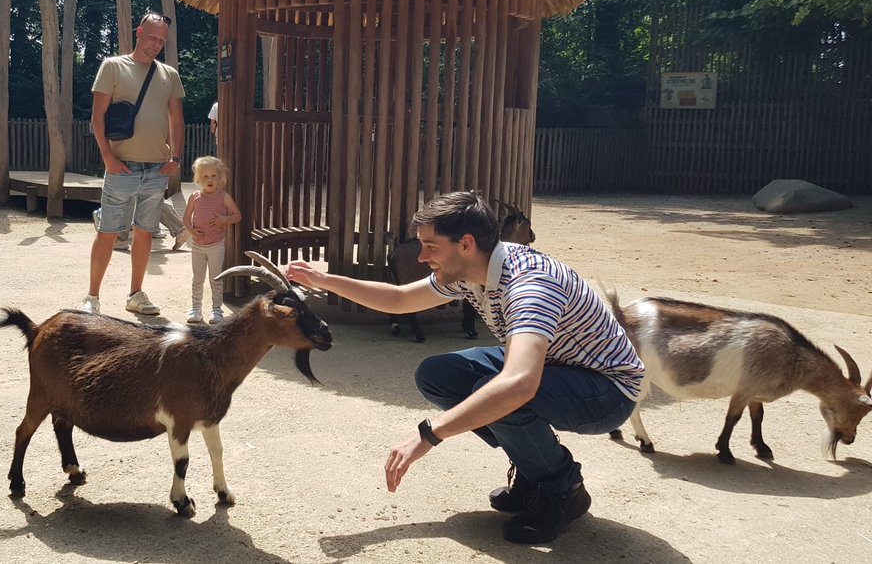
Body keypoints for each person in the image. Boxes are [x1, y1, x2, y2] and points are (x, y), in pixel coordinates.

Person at [284, 191, 643, 545]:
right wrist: (322, 281)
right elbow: (400, 299)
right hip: (557, 365)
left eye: (431, 246)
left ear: (466, 243)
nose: (422, 257)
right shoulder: (470, 269)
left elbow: (519, 383)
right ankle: (535, 468)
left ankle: (564, 489)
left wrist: (428, 434)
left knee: (501, 392)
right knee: (439, 375)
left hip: (607, 390)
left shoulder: (530, 284)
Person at [82, 12, 185, 316]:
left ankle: (136, 293)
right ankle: (92, 296)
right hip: (122, 164)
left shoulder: (169, 75)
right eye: (152, 37)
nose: (156, 44)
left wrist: (176, 157)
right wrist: (107, 157)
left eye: (162, 41)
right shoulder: (113, 66)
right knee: (108, 231)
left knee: (145, 231)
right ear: (139, 32)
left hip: (156, 167)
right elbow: (97, 115)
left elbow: (176, 120)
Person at [181, 156, 241, 324]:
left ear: (220, 178)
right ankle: (195, 308)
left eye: (214, 176)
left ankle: (216, 310)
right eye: (205, 176)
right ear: (198, 178)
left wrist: (223, 219)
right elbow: (186, 218)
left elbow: (237, 216)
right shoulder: (195, 197)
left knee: (216, 279)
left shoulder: (224, 197)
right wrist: (192, 232)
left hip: (216, 246)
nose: (210, 179)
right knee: (197, 278)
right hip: (197, 246)